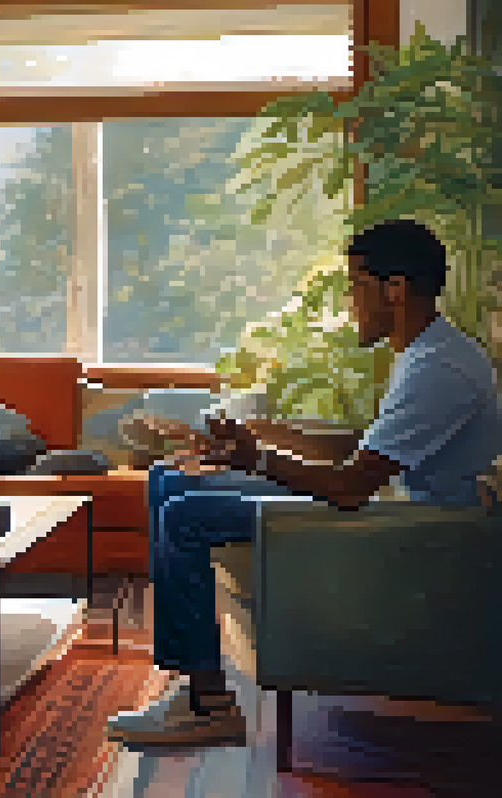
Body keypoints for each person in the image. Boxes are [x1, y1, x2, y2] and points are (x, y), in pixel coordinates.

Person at [107, 218, 502, 747]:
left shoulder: (439, 368)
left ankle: (207, 707)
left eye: (356, 286)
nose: (350, 301)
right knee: (167, 479)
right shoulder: (428, 353)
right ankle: (192, 684)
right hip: (388, 508)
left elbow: (349, 487)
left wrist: (257, 459)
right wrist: (256, 436)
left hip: (408, 533)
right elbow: (365, 447)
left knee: (185, 513)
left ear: (395, 288)